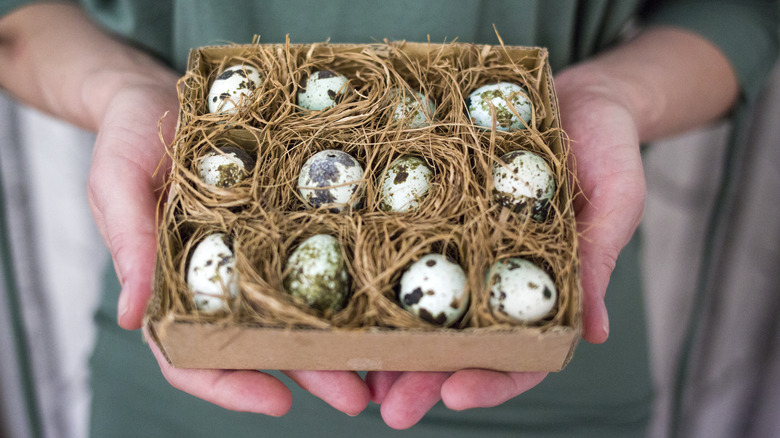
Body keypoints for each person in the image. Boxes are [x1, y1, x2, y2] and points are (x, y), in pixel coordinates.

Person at [0, 1, 777, 436]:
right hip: (190, 369)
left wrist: (618, 95)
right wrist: (116, 91)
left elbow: (742, 13)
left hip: (541, 383)